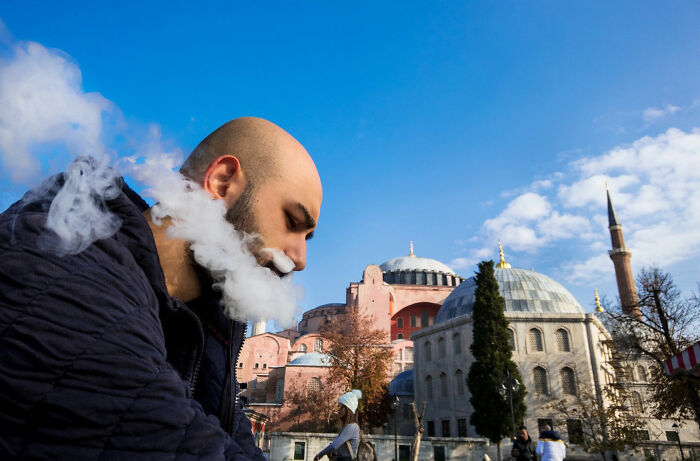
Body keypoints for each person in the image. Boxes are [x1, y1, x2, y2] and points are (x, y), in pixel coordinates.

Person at [0, 117, 323, 459]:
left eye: (307, 237)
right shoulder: (63, 269)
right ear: (222, 182)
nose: (300, 259)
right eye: (292, 221)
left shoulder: (210, 329)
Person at [313, 390, 363, 461]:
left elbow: (334, 446)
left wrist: (319, 455)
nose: (338, 410)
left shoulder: (351, 427)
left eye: (341, 407)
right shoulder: (348, 427)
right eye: (338, 407)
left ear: (348, 408)